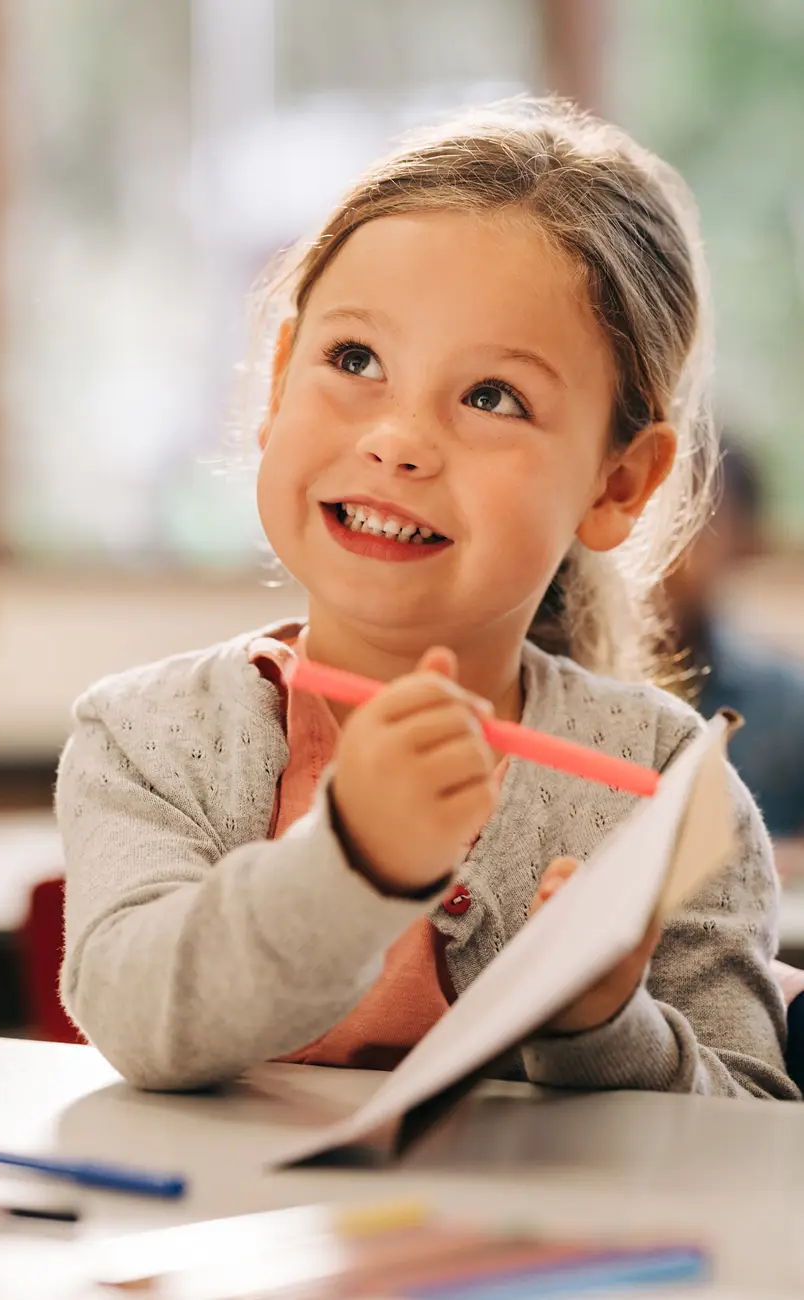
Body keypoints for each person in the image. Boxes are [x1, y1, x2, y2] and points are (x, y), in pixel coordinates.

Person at [57, 98, 796, 1099]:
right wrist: (350, 868)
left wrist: (602, 1023)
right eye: (354, 360)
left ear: (618, 481)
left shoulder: (664, 789)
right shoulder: (145, 735)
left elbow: (751, 1122)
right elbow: (138, 1017)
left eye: (491, 396)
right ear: (277, 383)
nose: (397, 438)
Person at [665, 437, 804, 876]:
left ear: (743, 539)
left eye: (696, 520)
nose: (671, 549)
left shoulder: (784, 700)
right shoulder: (563, 689)